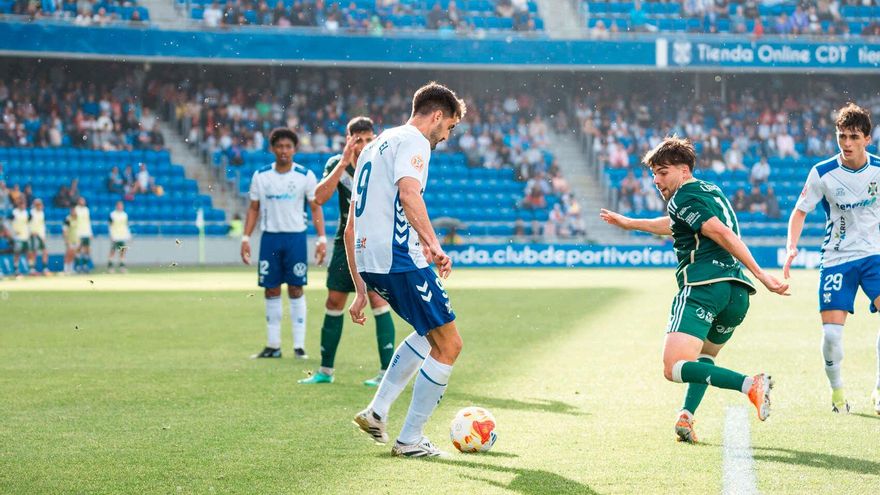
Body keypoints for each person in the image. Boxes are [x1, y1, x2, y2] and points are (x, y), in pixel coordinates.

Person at [600, 137, 788, 443]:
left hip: (703, 285)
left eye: (663, 172)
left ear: (683, 169)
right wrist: (630, 223)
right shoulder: (709, 190)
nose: (657, 181)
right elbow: (676, 223)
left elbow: (719, 232)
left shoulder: (681, 197)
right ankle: (686, 415)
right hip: (736, 293)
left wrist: (762, 274)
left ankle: (750, 384)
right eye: (654, 175)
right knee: (703, 359)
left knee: (672, 367)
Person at [348, 82, 465, 458]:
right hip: (398, 257)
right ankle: (410, 439)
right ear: (436, 116)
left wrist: (361, 285)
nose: (444, 138)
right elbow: (409, 193)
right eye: (447, 129)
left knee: (425, 332)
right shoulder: (414, 140)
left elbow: (350, 226)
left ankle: (377, 411)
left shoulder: (374, 146)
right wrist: (433, 244)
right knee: (449, 345)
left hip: (372, 261)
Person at [782, 103, 880, 415]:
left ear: (867, 138)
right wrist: (791, 247)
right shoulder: (822, 173)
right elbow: (799, 212)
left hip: (875, 255)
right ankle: (838, 392)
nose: (846, 143)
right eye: (841, 136)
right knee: (832, 336)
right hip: (837, 259)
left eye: (853, 136)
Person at [299, 116, 397, 386]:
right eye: (358, 140)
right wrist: (343, 162)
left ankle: (386, 374)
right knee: (334, 301)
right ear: (348, 141)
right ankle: (325, 371)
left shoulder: (382, 165)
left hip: (375, 241)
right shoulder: (336, 165)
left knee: (378, 301)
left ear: (374, 139)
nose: (363, 144)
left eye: (368, 139)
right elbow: (318, 198)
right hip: (345, 242)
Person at [241, 127, 327, 360]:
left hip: (295, 238)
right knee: (271, 289)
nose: (284, 150)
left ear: (295, 149)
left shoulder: (305, 175)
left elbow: (315, 206)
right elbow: (253, 209)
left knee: (296, 288)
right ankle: (273, 345)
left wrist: (321, 238)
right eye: (279, 146)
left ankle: (299, 346)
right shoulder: (261, 176)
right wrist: (246, 237)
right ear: (272, 149)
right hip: (270, 238)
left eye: (288, 146)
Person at [8, 196, 30, 276]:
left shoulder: (26, 213)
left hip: (25, 236)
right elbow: (8, 223)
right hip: (17, 237)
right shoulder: (14, 212)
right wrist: (13, 232)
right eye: (21, 204)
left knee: (28, 252)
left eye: (24, 204)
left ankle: (30, 268)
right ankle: (16, 269)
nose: (23, 206)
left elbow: (27, 224)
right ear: (19, 205)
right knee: (17, 253)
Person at [107, 201, 131, 273]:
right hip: (115, 236)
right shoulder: (112, 214)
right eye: (119, 205)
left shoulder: (125, 215)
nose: (120, 207)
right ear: (116, 206)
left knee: (123, 251)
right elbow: (110, 225)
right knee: (113, 251)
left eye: (121, 205)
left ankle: (122, 266)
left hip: (122, 235)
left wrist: (128, 235)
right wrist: (111, 234)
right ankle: (110, 266)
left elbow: (126, 225)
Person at [27, 198, 48, 275]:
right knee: (33, 252)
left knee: (45, 251)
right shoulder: (31, 213)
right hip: (34, 234)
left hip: (41, 235)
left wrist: (43, 235)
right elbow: (27, 224)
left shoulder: (42, 213)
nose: (40, 206)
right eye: (38, 204)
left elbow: (42, 226)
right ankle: (32, 269)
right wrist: (31, 232)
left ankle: (45, 269)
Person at [74, 197, 93, 273]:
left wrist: (90, 232)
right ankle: (78, 266)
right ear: (78, 201)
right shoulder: (75, 209)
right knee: (78, 249)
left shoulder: (86, 210)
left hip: (86, 232)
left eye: (83, 200)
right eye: (81, 200)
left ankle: (85, 266)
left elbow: (88, 221)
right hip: (78, 232)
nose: (83, 202)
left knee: (87, 250)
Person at [62, 206, 79, 275]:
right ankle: (66, 269)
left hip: (76, 240)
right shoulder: (67, 219)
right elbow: (64, 230)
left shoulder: (77, 219)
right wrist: (66, 240)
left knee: (73, 254)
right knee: (68, 254)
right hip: (70, 240)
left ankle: (71, 269)